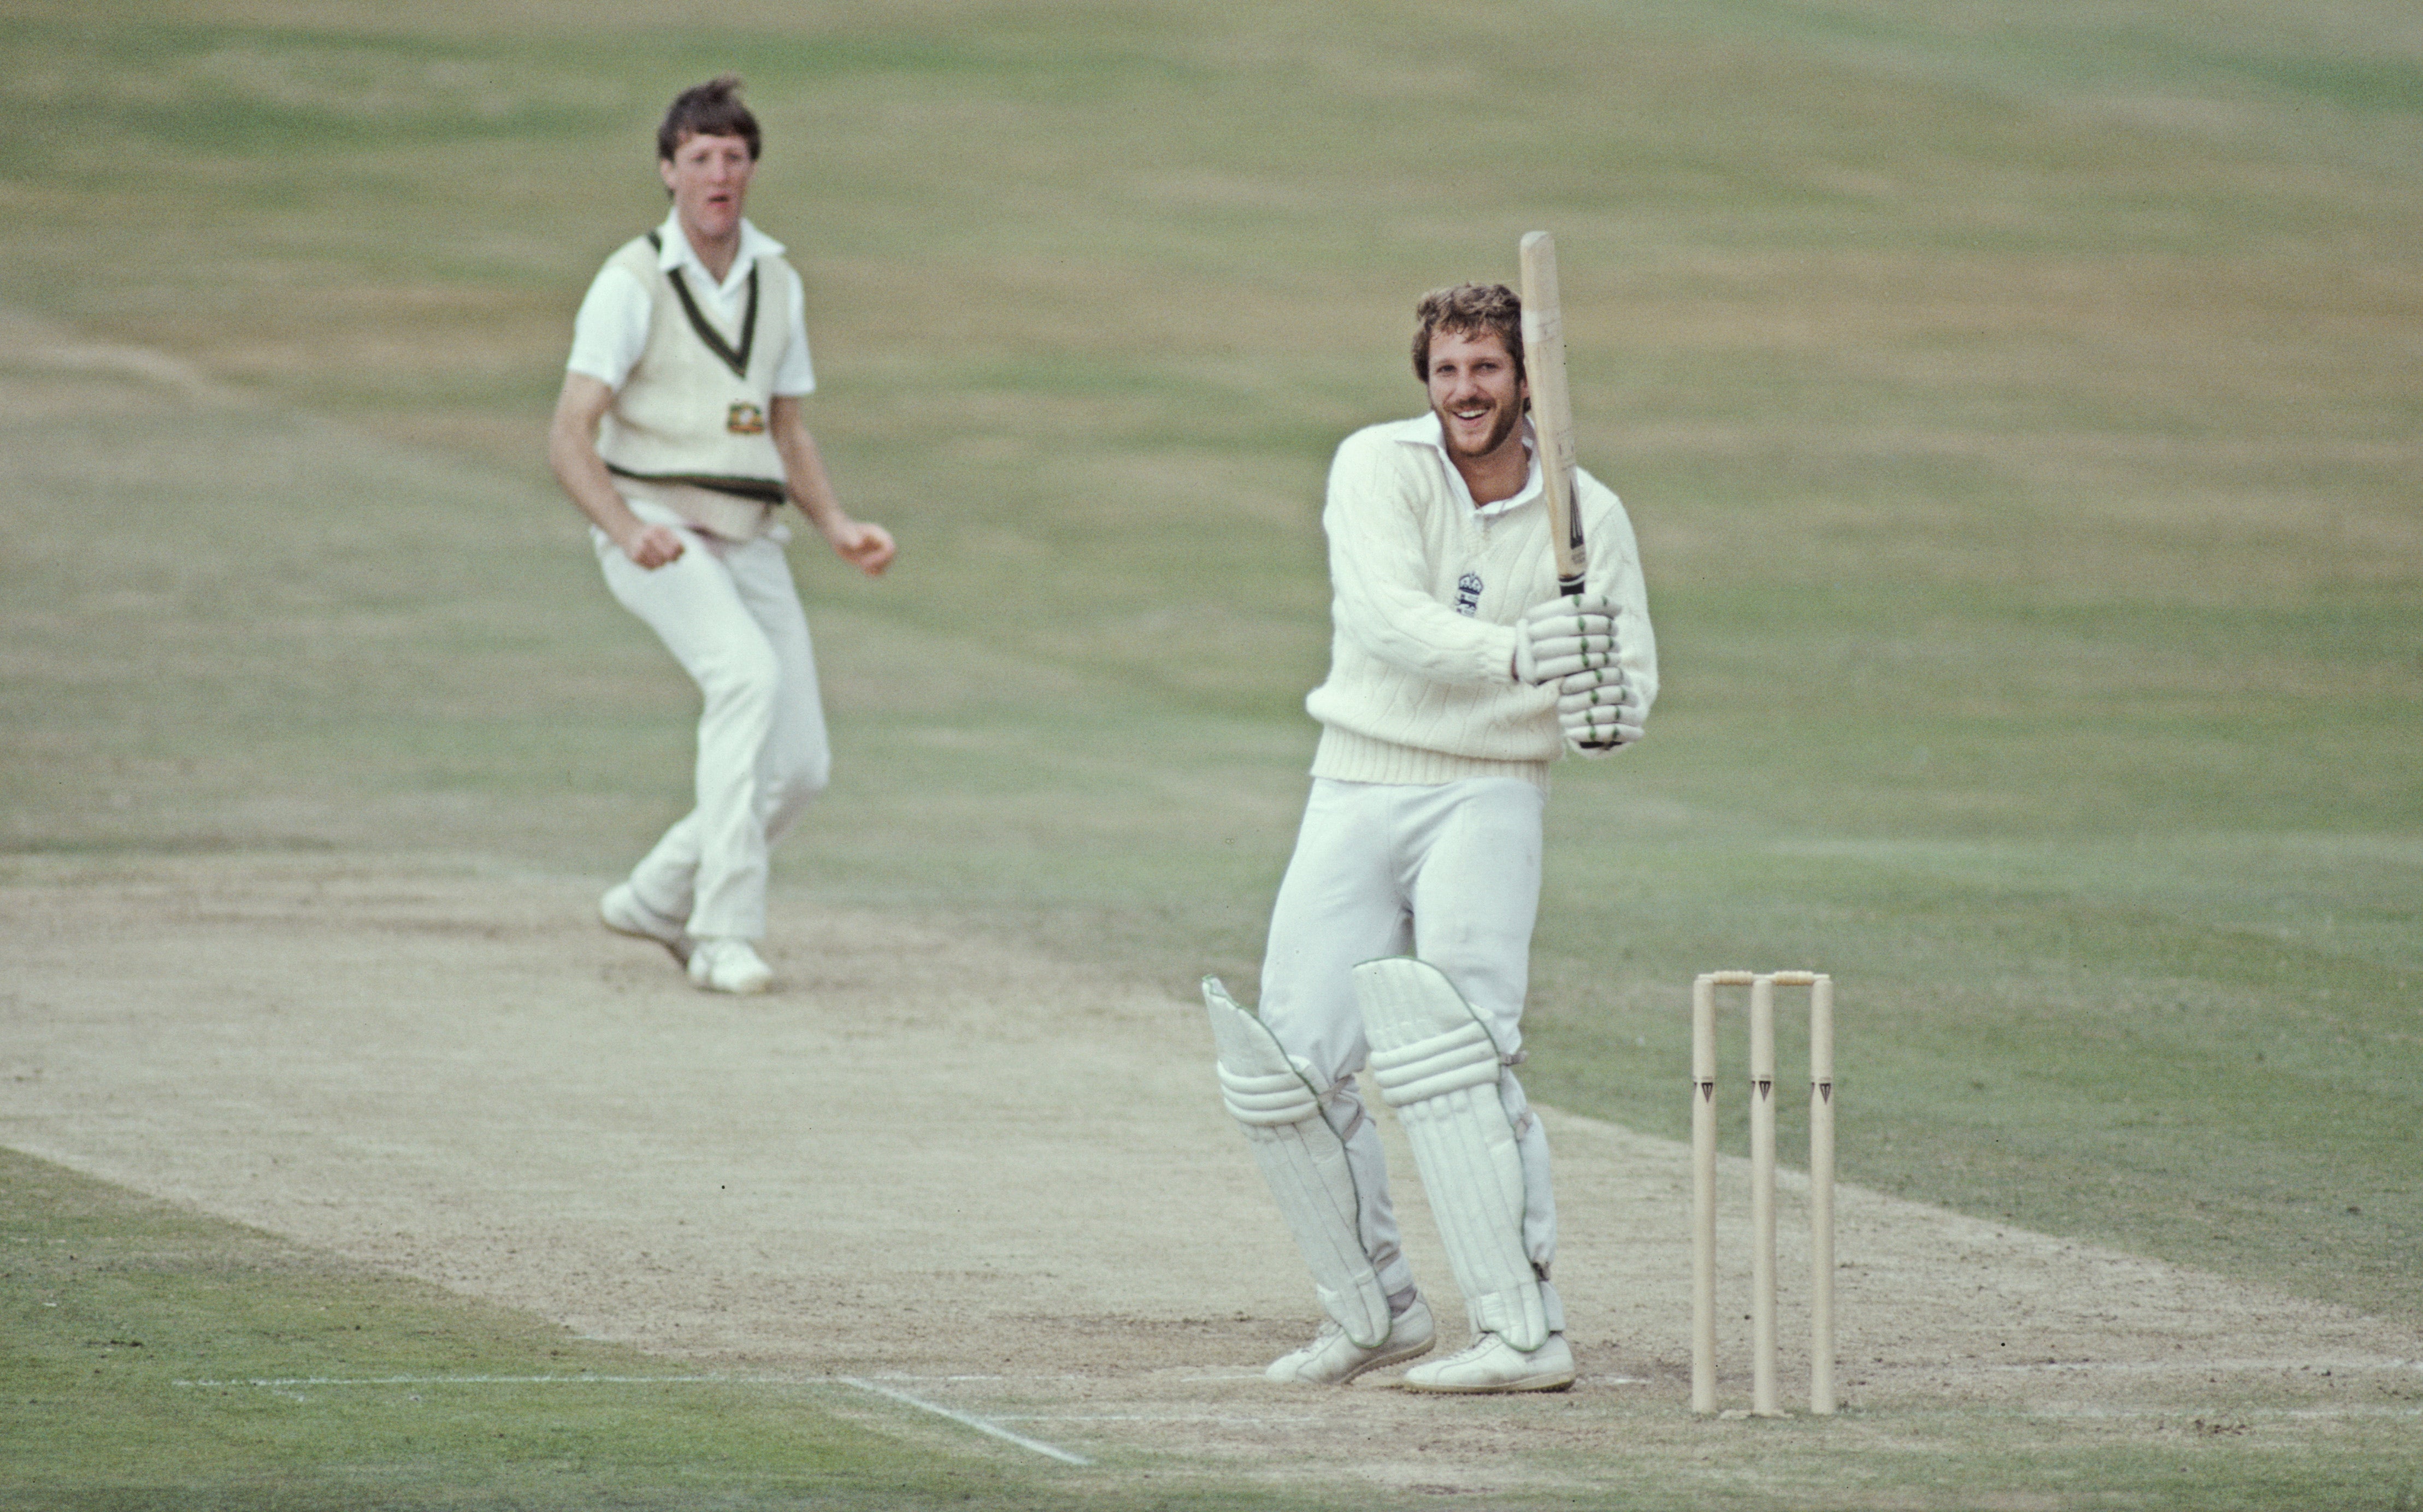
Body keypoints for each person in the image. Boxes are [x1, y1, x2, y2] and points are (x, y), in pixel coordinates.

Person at [1202, 282, 1656, 1392]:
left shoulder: (1587, 512)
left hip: (1491, 792)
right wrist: (1514, 653)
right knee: (1288, 1065)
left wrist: (1603, 711)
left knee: (1459, 1053)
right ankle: (1376, 1311)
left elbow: (1625, 686)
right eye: (1449, 370)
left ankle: (1521, 1330)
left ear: (1525, 381)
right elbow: (1379, 616)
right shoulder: (1375, 465)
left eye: (1487, 369)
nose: (1466, 390)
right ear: (1426, 379)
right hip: (1357, 774)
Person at [548, 76, 894, 995]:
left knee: (803, 767)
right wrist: (626, 530)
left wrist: (837, 524)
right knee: (743, 678)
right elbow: (568, 434)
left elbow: (788, 429)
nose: (719, 174)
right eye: (699, 157)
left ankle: (659, 892)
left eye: (735, 157)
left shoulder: (777, 280)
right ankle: (722, 929)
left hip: (750, 530)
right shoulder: (629, 283)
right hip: (658, 523)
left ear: (752, 172)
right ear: (668, 172)